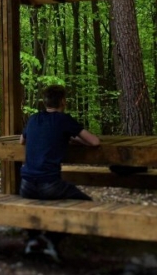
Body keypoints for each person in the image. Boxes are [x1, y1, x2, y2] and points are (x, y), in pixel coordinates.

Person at [18, 84, 100, 261]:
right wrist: (73, 139)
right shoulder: (63, 120)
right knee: (87, 205)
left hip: (25, 185)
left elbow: (21, 141)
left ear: (45, 101)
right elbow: (94, 142)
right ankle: (49, 238)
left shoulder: (33, 119)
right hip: (49, 185)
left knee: (34, 201)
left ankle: (33, 239)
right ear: (63, 101)